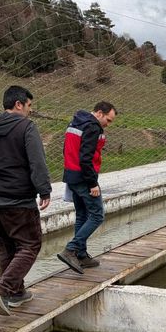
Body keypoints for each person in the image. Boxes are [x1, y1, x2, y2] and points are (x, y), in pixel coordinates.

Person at [0, 85, 52, 316]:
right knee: (29, 244)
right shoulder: (27, 128)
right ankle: (2, 289)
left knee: (6, 247)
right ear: (18, 104)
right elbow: (37, 163)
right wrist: (44, 190)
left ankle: (16, 293)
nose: (30, 111)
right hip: (18, 200)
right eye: (29, 105)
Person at [57, 101, 117, 273]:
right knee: (97, 215)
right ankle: (71, 249)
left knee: (82, 215)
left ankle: (81, 255)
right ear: (99, 113)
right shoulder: (92, 126)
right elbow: (86, 158)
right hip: (84, 177)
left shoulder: (75, 123)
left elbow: (66, 150)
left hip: (72, 175)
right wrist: (92, 183)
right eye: (108, 120)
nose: (108, 124)